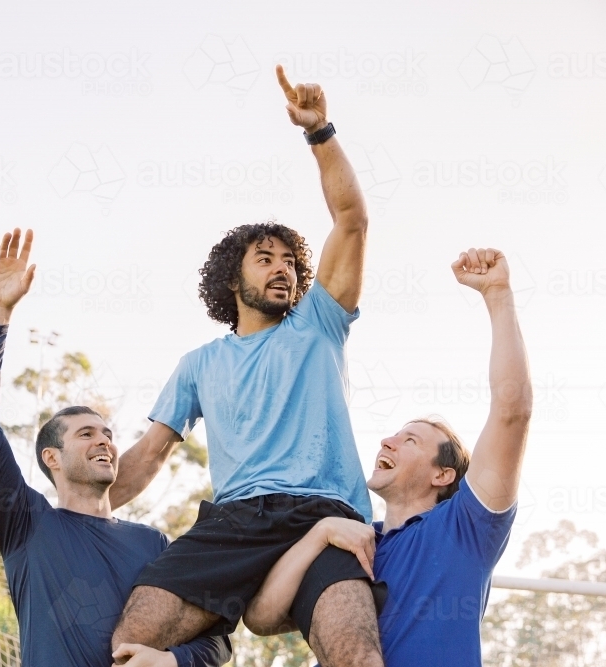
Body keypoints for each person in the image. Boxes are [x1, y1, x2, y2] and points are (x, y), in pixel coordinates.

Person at [108, 66, 384, 666]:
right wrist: (83, 509)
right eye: (265, 259)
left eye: (289, 260)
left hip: (326, 513)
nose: (282, 268)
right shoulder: (200, 364)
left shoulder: (319, 323)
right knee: (130, 643)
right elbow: (148, 456)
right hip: (235, 523)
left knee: (357, 655)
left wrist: (320, 133)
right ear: (234, 278)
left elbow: (352, 221)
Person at [242, 247, 532, 667]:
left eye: (410, 440)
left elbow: (513, 411)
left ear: (442, 474)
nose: (387, 442)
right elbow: (261, 617)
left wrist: (498, 295)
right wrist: (320, 532)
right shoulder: (351, 541)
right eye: (393, 436)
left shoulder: (468, 527)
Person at [0, 228, 231, 667]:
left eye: (107, 434)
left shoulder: (154, 543)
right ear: (52, 459)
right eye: (85, 434)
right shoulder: (25, 524)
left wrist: (172, 661)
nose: (104, 440)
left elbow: (214, 642)